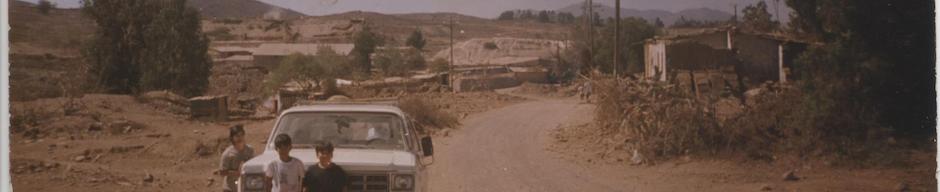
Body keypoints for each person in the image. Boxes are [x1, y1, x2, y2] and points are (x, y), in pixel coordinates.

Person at [219, 125, 256, 192]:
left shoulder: (250, 150)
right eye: (237, 136)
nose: (240, 138)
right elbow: (222, 172)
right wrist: (237, 173)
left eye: (241, 135)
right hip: (231, 188)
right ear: (232, 137)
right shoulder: (228, 154)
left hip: (247, 187)